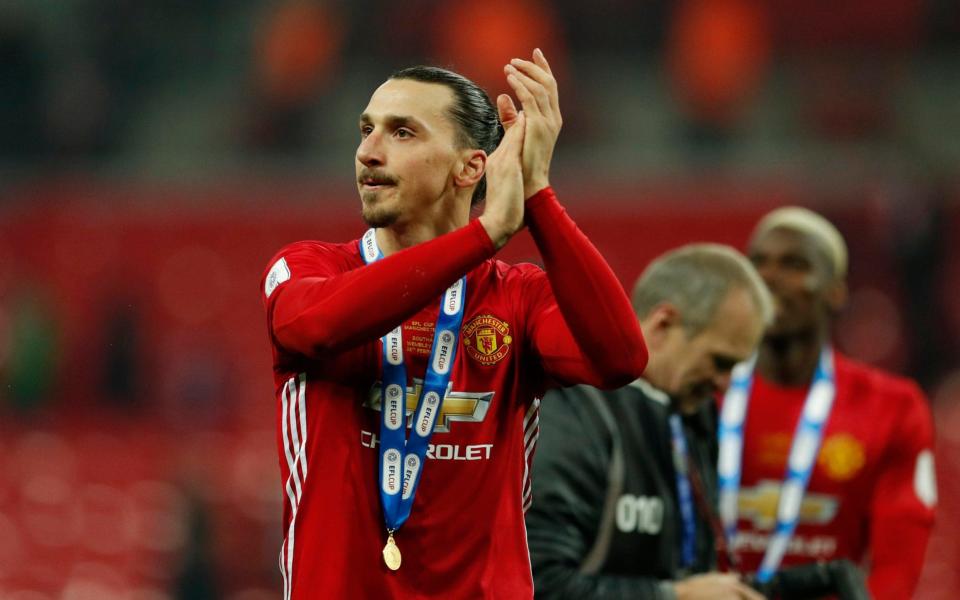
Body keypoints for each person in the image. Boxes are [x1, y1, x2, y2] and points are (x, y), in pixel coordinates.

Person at [259, 50, 648, 599]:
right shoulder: (309, 268)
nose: (368, 152)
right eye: (366, 130)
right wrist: (485, 235)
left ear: (470, 167)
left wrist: (536, 193)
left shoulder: (518, 298)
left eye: (402, 134)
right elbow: (317, 328)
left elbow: (621, 360)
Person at [527, 244, 772, 600]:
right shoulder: (577, 411)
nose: (724, 384)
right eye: (720, 362)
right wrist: (674, 597)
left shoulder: (691, 413)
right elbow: (539, 583)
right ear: (662, 324)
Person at [719, 207, 937, 599]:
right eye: (758, 264)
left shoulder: (892, 407)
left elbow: (897, 567)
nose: (769, 278)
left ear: (837, 291)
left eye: (794, 264)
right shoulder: (706, 392)